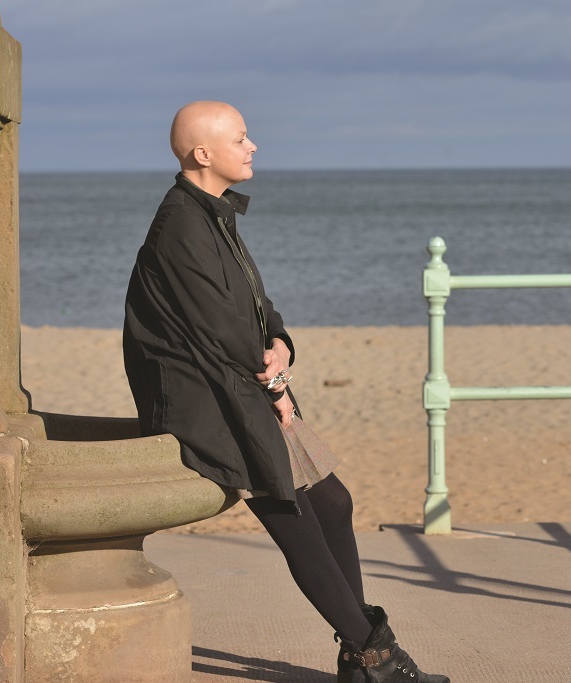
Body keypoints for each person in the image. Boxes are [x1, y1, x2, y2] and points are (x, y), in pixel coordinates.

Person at [122, 100, 450, 683]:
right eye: (242, 139)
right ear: (204, 154)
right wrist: (272, 380)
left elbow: (251, 304)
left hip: (242, 386)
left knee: (335, 503)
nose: (253, 147)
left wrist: (281, 342)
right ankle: (377, 659)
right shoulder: (180, 223)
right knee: (296, 519)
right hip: (211, 404)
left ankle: (360, 655)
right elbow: (218, 325)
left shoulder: (211, 213)